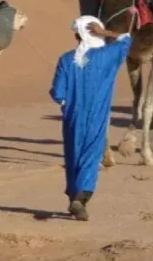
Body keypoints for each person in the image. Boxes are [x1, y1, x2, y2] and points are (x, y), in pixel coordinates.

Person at [49, 16, 132, 221]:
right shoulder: (107, 55)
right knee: (91, 155)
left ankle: (74, 197)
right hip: (97, 114)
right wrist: (106, 33)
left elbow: (58, 93)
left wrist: (67, 104)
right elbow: (126, 39)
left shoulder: (66, 59)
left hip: (72, 115)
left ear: (77, 36)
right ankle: (80, 198)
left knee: (73, 155)